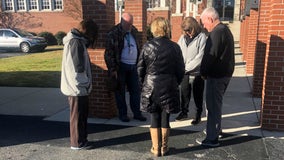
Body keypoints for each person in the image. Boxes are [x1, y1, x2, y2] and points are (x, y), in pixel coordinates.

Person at [137, 17, 185, 157]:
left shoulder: (147, 46)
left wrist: (144, 85)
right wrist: (176, 82)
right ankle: (164, 147)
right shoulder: (175, 47)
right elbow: (181, 70)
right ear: (166, 28)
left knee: (154, 117)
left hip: (151, 86)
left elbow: (140, 69)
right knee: (166, 117)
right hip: (169, 86)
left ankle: (156, 148)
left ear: (153, 29)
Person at [196, 7, 235, 147]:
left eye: (204, 23)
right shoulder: (225, 30)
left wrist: (203, 73)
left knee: (212, 107)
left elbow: (209, 56)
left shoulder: (216, 33)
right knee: (215, 105)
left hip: (216, 76)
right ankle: (215, 130)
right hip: (224, 74)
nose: (204, 27)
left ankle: (212, 138)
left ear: (210, 19)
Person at [60, 19, 98, 150]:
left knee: (79, 115)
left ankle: (80, 141)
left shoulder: (75, 41)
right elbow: (78, 68)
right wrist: (86, 83)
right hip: (77, 87)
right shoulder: (76, 43)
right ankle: (77, 143)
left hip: (76, 86)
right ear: (88, 31)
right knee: (78, 116)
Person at [104, 13, 146, 122]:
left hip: (133, 66)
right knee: (120, 92)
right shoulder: (113, 33)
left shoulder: (134, 31)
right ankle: (123, 114)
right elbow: (109, 53)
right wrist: (113, 69)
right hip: (120, 67)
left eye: (131, 24)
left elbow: (138, 45)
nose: (130, 26)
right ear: (122, 22)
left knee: (135, 91)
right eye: (128, 24)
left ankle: (137, 113)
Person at [175, 17, 207, 125]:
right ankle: (184, 112)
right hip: (184, 72)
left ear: (194, 28)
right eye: (185, 31)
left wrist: (186, 67)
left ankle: (198, 115)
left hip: (197, 73)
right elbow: (178, 52)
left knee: (198, 95)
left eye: (189, 30)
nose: (187, 33)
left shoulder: (202, 37)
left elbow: (200, 57)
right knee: (184, 93)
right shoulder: (182, 38)